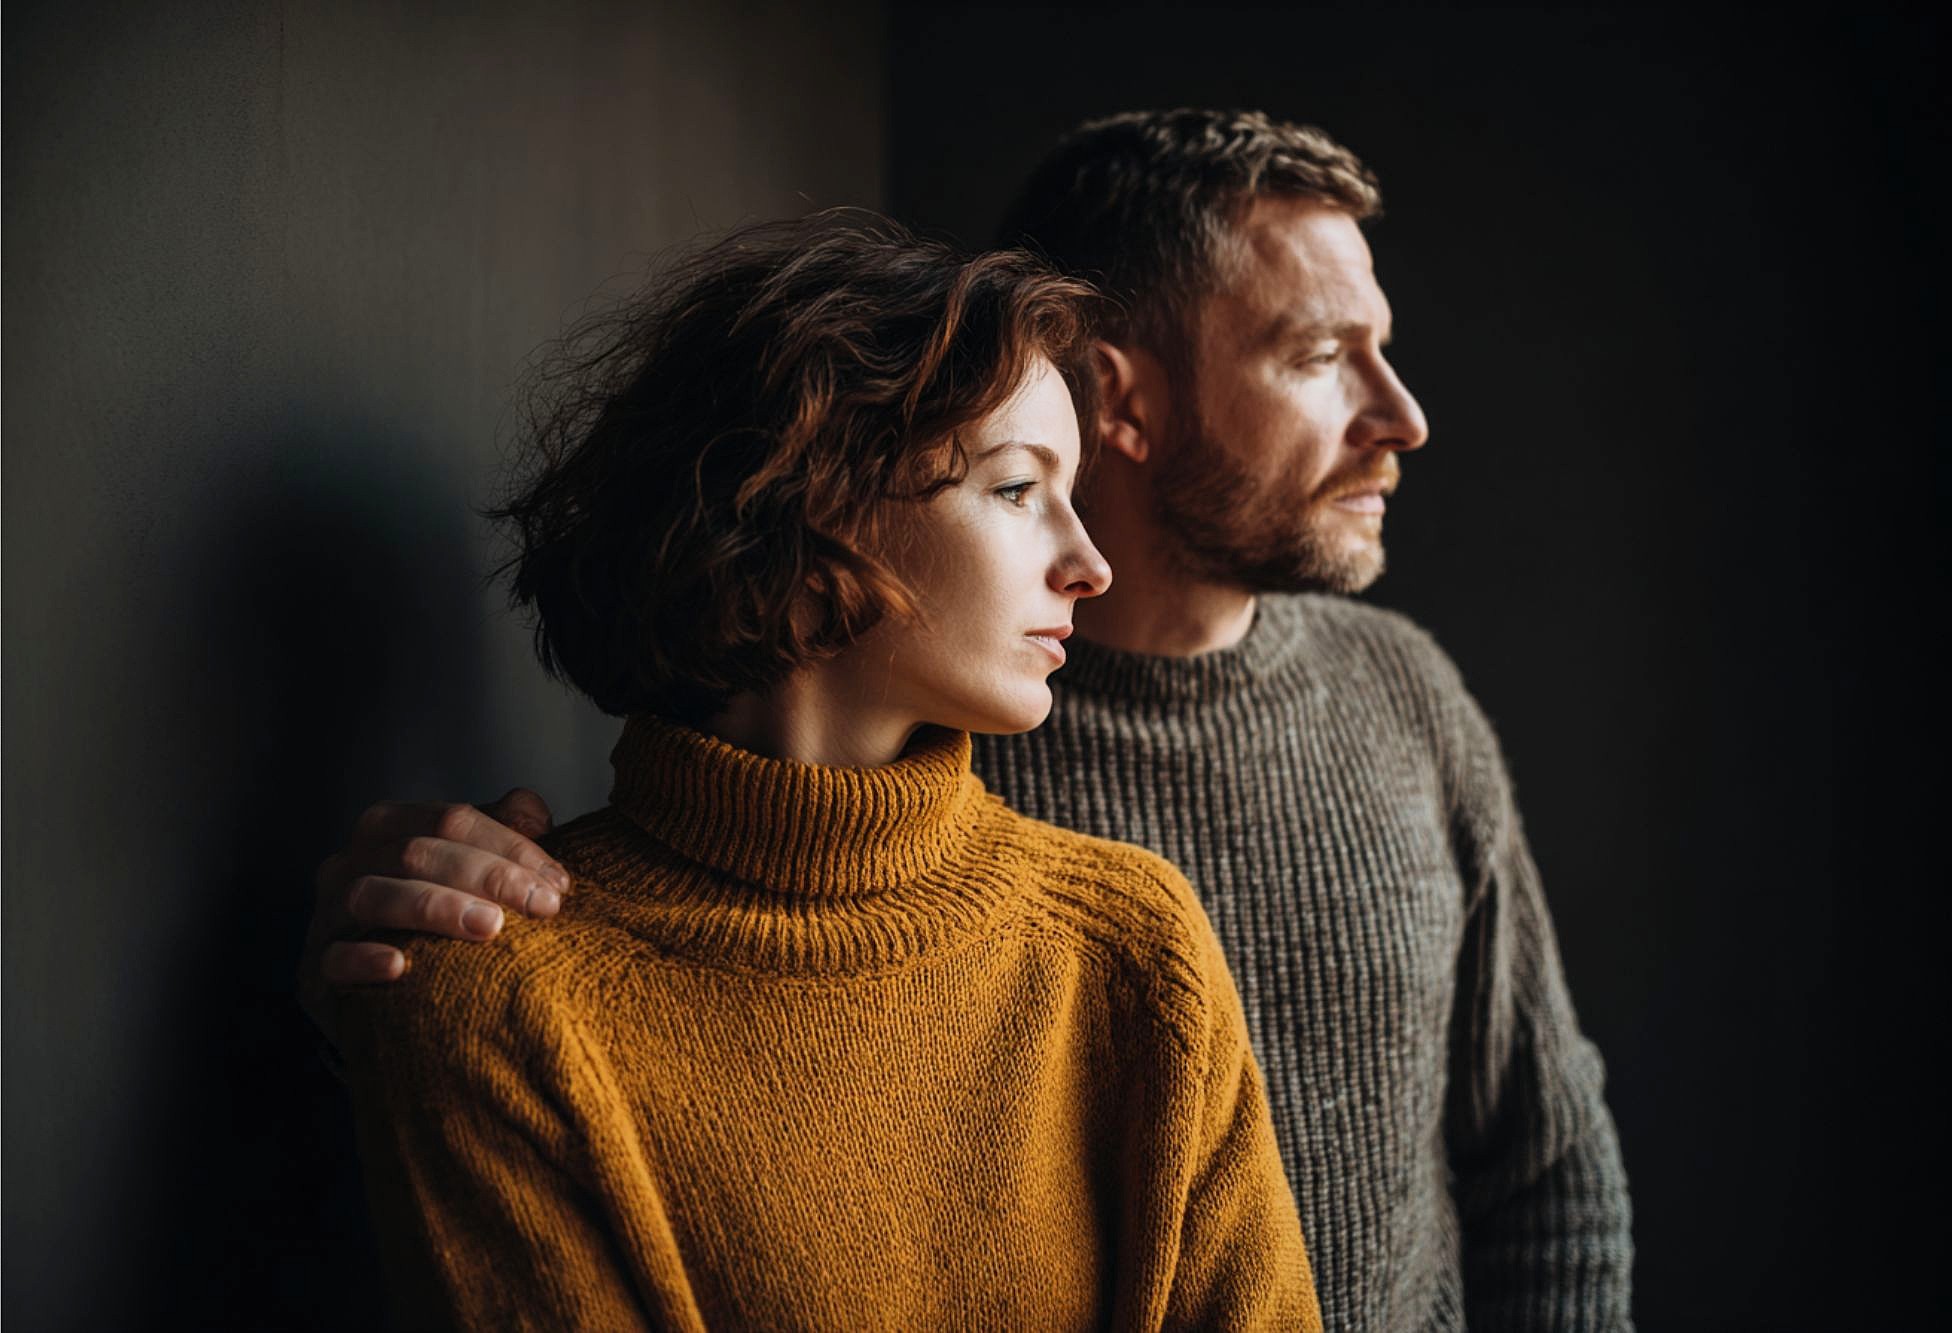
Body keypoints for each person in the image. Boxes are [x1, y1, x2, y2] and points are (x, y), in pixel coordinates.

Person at [307, 110, 1636, 1329]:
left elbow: (1548, 1164)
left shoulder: (1265, 814)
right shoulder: (529, 978)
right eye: (1318, 355)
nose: (1400, 418)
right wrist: (395, 941)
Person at [331, 212, 1318, 1329]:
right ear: (804, 511)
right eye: (1013, 488)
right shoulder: (495, 1003)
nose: (1086, 563)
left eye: (1072, 493)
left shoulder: (1134, 946)